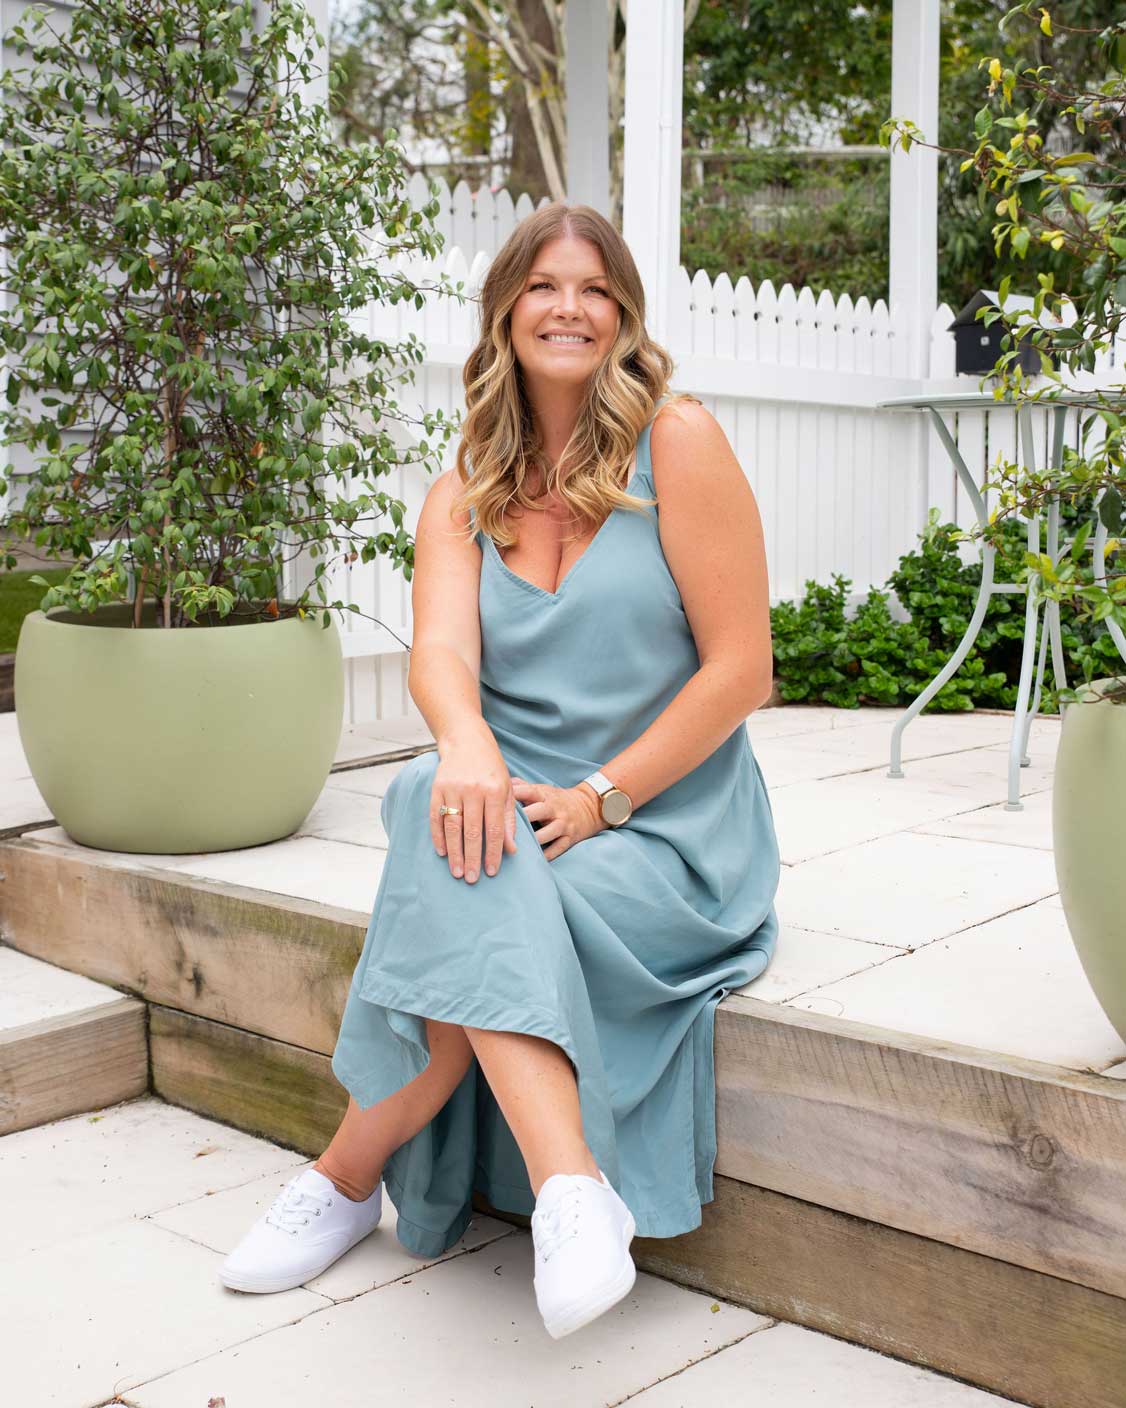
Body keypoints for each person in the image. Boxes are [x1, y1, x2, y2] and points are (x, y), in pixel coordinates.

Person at [219, 202, 780, 1340]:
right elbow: (439, 653)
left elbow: (742, 671)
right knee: (443, 797)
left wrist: (599, 796)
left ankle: (343, 1173)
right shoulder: (463, 486)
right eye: (543, 286)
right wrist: (469, 743)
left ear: (620, 313)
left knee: (466, 878)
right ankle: (572, 1187)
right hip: (509, 807)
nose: (568, 307)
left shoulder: (679, 443)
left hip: (662, 819)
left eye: (592, 288)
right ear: (505, 313)